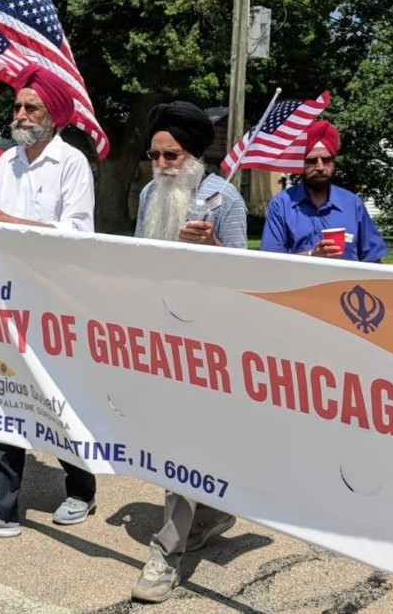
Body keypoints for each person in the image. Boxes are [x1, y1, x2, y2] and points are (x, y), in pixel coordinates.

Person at [0, 62, 96, 542]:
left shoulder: (72, 163)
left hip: (53, 302)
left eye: (31, 106)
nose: (21, 113)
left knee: (56, 398)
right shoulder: (7, 161)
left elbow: (77, 235)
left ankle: (80, 488)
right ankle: (2, 508)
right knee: (5, 398)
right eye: (16, 106)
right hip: (7, 298)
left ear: (52, 113)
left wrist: (5, 218)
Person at [131, 101, 246, 602]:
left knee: (180, 446)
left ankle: (165, 554)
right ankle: (215, 513)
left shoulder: (224, 201)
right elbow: (137, 258)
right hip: (157, 337)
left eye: (171, 156)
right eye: (155, 155)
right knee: (168, 442)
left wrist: (213, 250)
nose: (161, 165)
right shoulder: (148, 195)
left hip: (205, 344)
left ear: (194, 155)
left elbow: (245, 279)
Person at [260, 119, 387, 261]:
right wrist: (311, 256)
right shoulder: (281, 206)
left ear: (334, 161)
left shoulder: (352, 204)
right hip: (300, 283)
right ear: (301, 162)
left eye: (326, 160)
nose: (320, 167)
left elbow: (373, 259)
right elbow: (271, 262)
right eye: (312, 161)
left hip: (345, 282)